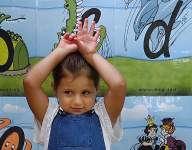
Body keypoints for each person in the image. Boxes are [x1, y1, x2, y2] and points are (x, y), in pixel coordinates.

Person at [23, 18, 126, 150]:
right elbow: (30, 83)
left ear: (96, 89)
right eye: (68, 92)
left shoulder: (104, 117)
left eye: (85, 92)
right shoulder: (48, 118)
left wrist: (91, 54)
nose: (77, 102)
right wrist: (59, 52)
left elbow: (118, 85)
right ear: (55, 89)